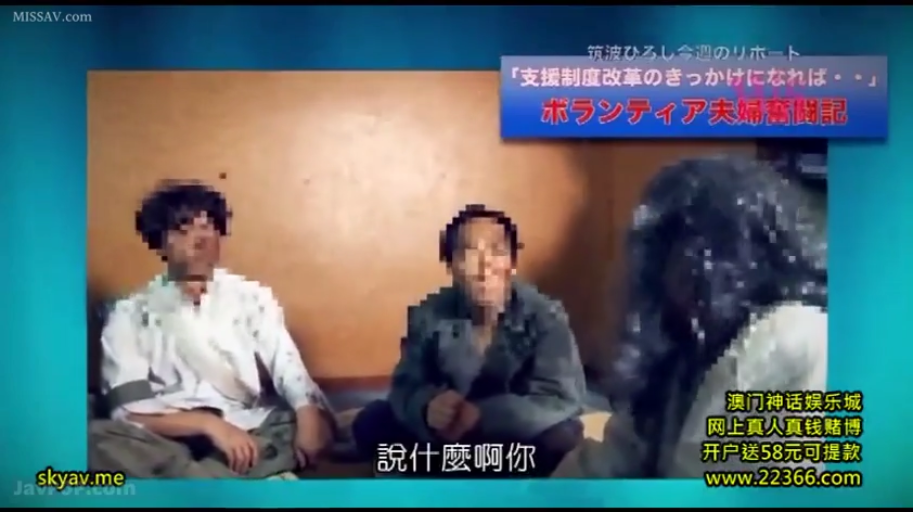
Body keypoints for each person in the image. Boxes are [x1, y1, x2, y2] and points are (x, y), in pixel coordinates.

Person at [553, 155, 828, 478]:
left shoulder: (798, 337)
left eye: (695, 258)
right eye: (664, 256)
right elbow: (610, 457)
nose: (672, 276)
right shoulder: (684, 354)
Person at [89, 180, 335, 478]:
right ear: (160, 243)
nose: (201, 239)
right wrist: (207, 425)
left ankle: (191, 482)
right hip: (165, 435)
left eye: (208, 227)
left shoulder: (251, 297)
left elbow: (287, 366)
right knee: (97, 439)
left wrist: (309, 417)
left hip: (247, 428)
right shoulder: (130, 313)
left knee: (302, 427)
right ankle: (216, 479)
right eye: (183, 231)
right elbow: (127, 411)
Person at [352, 204, 587, 477]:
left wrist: (482, 416)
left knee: (563, 439)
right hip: (448, 432)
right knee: (371, 422)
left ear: (512, 264)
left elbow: (560, 397)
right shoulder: (429, 312)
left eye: (497, 251)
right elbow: (406, 384)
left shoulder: (546, 315)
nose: (485, 265)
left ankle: (434, 468)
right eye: (469, 252)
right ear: (451, 265)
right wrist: (427, 408)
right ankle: (472, 471)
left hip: (511, 433)